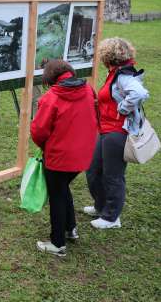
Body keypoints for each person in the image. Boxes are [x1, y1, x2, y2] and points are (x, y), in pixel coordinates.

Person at [31, 60, 98, 257]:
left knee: (57, 195)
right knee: (62, 188)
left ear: (49, 77)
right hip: (83, 155)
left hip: (59, 157)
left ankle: (57, 243)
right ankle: (71, 229)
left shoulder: (51, 97)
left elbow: (38, 130)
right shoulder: (88, 90)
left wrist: (45, 146)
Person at [84, 38, 149, 229]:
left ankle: (112, 218)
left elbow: (139, 93)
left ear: (108, 56)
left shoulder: (124, 76)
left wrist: (122, 108)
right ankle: (101, 206)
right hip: (104, 129)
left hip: (117, 132)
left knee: (113, 175)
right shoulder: (114, 73)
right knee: (94, 170)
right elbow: (111, 96)